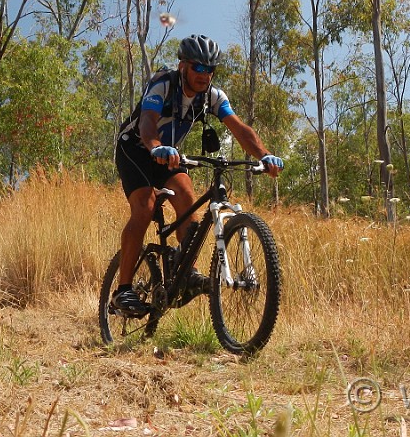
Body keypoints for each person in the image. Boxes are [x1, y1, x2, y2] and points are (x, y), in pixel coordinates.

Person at [112, 34, 284, 316]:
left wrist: (264, 155)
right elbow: (147, 121)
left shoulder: (213, 97)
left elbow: (240, 129)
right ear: (183, 66)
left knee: (188, 197)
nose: (204, 75)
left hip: (168, 153)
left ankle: (186, 270)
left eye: (210, 69)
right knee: (144, 208)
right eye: (198, 68)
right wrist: (155, 147)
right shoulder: (164, 83)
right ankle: (123, 291)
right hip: (136, 146)